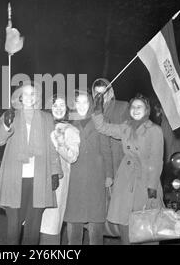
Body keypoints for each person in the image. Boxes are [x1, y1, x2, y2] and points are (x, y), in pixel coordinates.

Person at [0, 82, 63, 245]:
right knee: (13, 227)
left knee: (33, 226)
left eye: (33, 94)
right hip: (15, 178)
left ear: (37, 97)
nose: (30, 97)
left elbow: (52, 148)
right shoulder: (11, 115)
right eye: (26, 94)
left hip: (39, 178)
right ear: (20, 97)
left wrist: (54, 172)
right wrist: (5, 125)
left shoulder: (46, 118)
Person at [92, 93, 164, 245]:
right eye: (133, 107)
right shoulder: (125, 127)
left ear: (147, 110)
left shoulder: (154, 130)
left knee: (146, 224)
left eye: (140, 107)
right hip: (125, 180)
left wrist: (152, 188)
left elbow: (156, 160)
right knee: (124, 223)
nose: (136, 109)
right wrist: (98, 110)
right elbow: (103, 127)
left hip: (145, 182)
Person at [63, 90, 112, 245]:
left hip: (96, 177)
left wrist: (109, 175)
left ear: (90, 103)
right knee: (74, 222)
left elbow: (106, 149)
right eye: (78, 102)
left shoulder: (99, 121)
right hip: (74, 179)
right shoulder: (68, 123)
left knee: (96, 225)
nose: (82, 106)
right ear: (74, 104)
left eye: (85, 102)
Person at [39, 95, 80, 245]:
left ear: (67, 109)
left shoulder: (70, 130)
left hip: (57, 183)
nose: (58, 108)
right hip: (39, 180)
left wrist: (60, 144)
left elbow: (72, 157)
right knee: (35, 224)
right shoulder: (42, 125)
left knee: (50, 225)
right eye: (55, 105)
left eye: (62, 105)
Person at [91, 78, 128, 179]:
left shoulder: (123, 107)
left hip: (117, 158)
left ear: (110, 92)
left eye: (103, 93)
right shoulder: (91, 110)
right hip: (99, 160)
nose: (101, 97)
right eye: (98, 93)